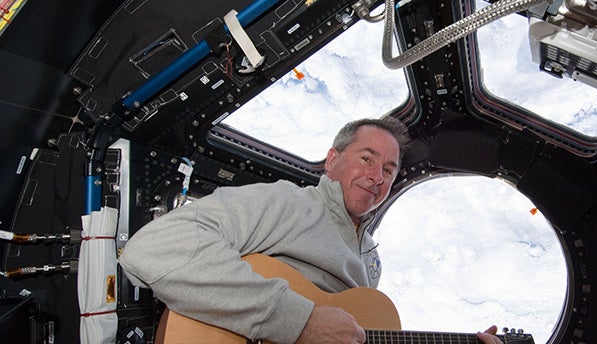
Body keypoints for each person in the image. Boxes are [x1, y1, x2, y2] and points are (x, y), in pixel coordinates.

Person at [119, 117, 503, 344]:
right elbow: (155, 247)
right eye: (367, 158)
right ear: (332, 160)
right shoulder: (291, 203)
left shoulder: (372, 263)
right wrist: (296, 320)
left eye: (388, 170)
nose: (376, 176)